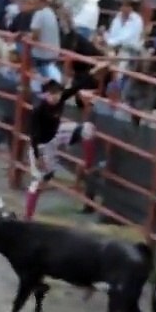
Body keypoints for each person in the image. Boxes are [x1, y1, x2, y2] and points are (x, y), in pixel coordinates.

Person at [24, 80, 97, 220]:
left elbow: (76, 86)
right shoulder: (38, 110)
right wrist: (37, 156)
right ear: (46, 95)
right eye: (52, 94)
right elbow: (34, 135)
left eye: (57, 93)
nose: (56, 97)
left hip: (55, 135)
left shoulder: (60, 99)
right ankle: (28, 216)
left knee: (88, 129)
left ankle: (88, 166)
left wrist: (93, 72)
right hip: (42, 144)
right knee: (40, 179)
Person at [23, 0, 63, 83]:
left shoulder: (39, 14)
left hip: (42, 54)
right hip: (53, 52)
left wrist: (26, 37)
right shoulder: (50, 12)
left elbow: (35, 37)